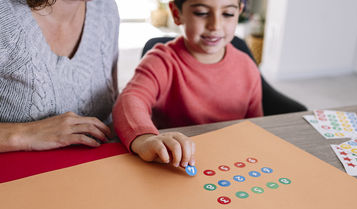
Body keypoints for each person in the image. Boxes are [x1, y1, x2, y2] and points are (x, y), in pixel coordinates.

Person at [113, 0, 262, 169]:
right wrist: (145, 137)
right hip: (175, 164)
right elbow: (130, 99)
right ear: (177, 14)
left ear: (239, 13)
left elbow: (257, 128)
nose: (215, 25)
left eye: (228, 14)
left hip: (231, 163)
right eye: (201, 13)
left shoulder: (247, 67)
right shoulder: (161, 61)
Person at [0, 0, 119, 152]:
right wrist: (25, 133)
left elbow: (114, 103)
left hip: (99, 168)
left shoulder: (106, 8)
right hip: (21, 173)